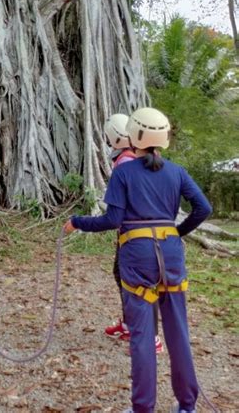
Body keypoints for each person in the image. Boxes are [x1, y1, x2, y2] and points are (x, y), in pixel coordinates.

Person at [64, 107, 212, 413]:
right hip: (170, 255)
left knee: (143, 337)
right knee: (178, 332)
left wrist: (77, 221)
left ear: (134, 135)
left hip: (138, 256)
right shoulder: (176, 172)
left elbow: (112, 219)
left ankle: (143, 408)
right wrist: (175, 233)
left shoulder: (124, 172)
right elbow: (203, 208)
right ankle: (187, 406)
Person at [103, 114, 163, 355]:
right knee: (122, 275)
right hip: (134, 232)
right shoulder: (132, 158)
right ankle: (130, 324)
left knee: (140, 283)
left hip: (137, 234)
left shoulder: (127, 162)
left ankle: (151, 338)